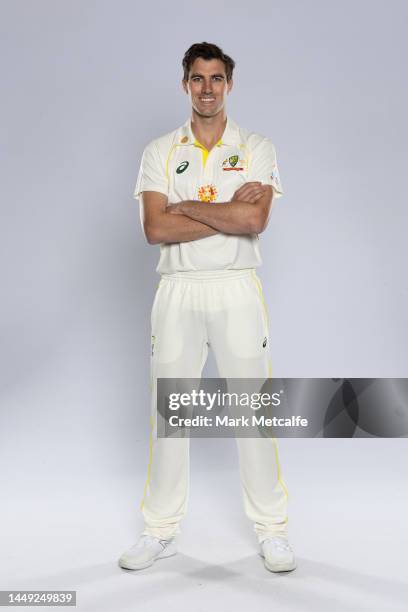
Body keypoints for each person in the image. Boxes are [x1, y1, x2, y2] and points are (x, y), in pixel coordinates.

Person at [119, 42, 296, 573]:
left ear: (229, 85)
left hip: (236, 286)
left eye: (216, 78)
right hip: (177, 291)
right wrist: (224, 211)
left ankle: (272, 530)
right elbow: (156, 228)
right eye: (198, 79)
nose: (207, 88)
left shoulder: (256, 146)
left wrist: (188, 207)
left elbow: (254, 222)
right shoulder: (159, 150)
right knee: (171, 413)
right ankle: (160, 530)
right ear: (185, 85)